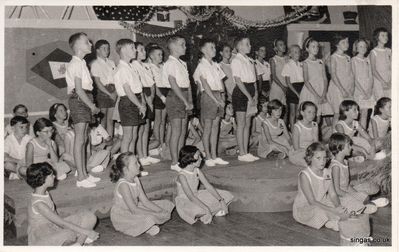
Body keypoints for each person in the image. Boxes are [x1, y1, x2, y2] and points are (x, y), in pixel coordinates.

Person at [26, 162, 98, 246]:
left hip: (54, 226)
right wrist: (86, 231)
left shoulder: (44, 192)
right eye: (51, 175)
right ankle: (80, 239)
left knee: (90, 217)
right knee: (68, 233)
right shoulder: (39, 204)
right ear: (43, 179)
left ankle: (78, 243)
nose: (54, 176)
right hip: (42, 234)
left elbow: (57, 218)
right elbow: (61, 223)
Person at [110, 152, 174, 237]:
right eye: (136, 163)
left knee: (166, 204)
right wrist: (154, 213)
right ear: (126, 169)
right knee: (150, 217)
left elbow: (145, 201)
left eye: (138, 162)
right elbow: (133, 209)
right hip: (124, 215)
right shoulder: (123, 185)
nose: (139, 165)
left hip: (136, 208)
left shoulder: (135, 179)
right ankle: (143, 227)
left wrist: (159, 210)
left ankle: (147, 226)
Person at [65, 32, 101, 188]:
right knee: (80, 139)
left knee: (84, 139)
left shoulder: (81, 63)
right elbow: (79, 90)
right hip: (80, 100)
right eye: (87, 42)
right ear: (78, 46)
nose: (91, 45)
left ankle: (84, 173)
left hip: (84, 99)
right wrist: (92, 106)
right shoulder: (76, 64)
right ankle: (80, 177)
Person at [292, 142, 349, 231]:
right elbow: (312, 201)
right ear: (310, 158)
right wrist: (333, 210)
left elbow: (333, 194)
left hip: (322, 202)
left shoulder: (327, 172)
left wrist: (338, 207)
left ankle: (333, 220)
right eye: (318, 158)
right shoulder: (305, 175)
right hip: (307, 207)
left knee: (344, 205)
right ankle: (333, 220)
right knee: (321, 211)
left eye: (324, 158)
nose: (322, 161)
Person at [328, 133, 389, 214]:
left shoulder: (345, 162)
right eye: (348, 146)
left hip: (346, 191)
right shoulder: (336, 167)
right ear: (340, 148)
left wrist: (356, 194)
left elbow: (347, 184)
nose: (351, 148)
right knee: (362, 198)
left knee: (372, 189)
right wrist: (353, 196)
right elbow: (337, 190)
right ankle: (369, 205)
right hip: (340, 196)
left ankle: (365, 205)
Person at [175, 145, 234, 224]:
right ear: (189, 159)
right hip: (187, 201)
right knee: (198, 210)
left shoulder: (197, 170)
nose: (201, 159)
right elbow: (191, 197)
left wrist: (221, 200)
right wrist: (206, 208)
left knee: (227, 195)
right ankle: (209, 212)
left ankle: (209, 213)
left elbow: (208, 186)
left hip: (197, 195)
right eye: (198, 157)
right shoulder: (182, 176)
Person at [194, 38, 229, 167]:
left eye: (214, 47)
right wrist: (216, 100)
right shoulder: (201, 66)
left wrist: (223, 97)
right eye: (211, 48)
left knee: (216, 127)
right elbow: (204, 85)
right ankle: (207, 156)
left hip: (218, 95)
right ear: (203, 50)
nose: (214, 50)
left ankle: (215, 155)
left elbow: (221, 83)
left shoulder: (215, 65)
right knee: (207, 128)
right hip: (208, 97)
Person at [113, 39, 147, 170]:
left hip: (135, 101)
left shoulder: (130, 66)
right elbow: (127, 91)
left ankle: (132, 165)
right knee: (128, 137)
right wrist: (140, 105)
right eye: (132, 48)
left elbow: (138, 88)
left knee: (134, 136)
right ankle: (123, 167)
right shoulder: (122, 69)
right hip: (128, 102)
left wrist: (141, 103)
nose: (136, 50)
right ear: (123, 50)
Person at [163, 36, 193, 171]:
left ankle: (182, 159)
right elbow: (173, 83)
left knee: (182, 131)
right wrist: (185, 100)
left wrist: (190, 100)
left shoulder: (182, 63)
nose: (185, 47)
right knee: (176, 131)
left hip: (184, 95)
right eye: (182, 45)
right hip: (176, 96)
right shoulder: (170, 63)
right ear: (173, 47)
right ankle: (174, 161)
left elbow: (187, 84)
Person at [131, 42, 161, 166]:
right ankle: (141, 155)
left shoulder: (146, 66)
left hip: (149, 94)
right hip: (141, 95)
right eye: (141, 50)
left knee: (147, 127)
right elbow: (139, 84)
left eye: (144, 50)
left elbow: (151, 82)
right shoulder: (133, 65)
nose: (144, 52)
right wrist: (146, 99)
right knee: (141, 128)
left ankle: (145, 155)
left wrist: (152, 96)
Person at [231, 36, 259, 162]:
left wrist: (255, 94)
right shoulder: (236, 60)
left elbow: (254, 80)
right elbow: (237, 80)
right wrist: (248, 96)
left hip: (250, 92)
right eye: (247, 44)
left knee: (248, 123)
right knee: (241, 124)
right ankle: (241, 153)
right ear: (239, 46)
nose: (250, 46)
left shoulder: (250, 60)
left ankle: (246, 151)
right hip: (241, 93)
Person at [299, 37, 333, 123]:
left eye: (317, 46)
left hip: (321, 90)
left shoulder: (320, 62)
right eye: (313, 46)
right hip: (311, 92)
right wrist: (317, 96)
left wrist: (323, 94)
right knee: (309, 116)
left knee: (318, 116)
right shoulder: (305, 63)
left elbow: (325, 79)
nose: (316, 48)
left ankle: (315, 134)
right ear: (307, 48)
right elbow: (306, 81)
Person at [90, 39, 117, 137]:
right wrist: (109, 94)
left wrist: (115, 92)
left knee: (111, 120)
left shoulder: (112, 63)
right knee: (103, 120)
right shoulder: (95, 64)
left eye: (108, 48)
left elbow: (116, 79)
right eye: (104, 48)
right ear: (97, 50)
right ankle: (103, 142)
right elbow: (98, 82)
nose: (107, 51)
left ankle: (110, 142)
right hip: (103, 92)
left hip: (113, 90)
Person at [327, 35, 355, 128]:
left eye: (347, 42)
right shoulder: (333, 57)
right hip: (337, 88)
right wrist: (342, 90)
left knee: (348, 113)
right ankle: (334, 136)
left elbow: (351, 74)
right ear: (337, 45)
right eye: (343, 42)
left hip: (347, 88)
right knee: (338, 113)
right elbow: (334, 75)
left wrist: (351, 88)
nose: (346, 44)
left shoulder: (348, 57)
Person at [148, 45, 168, 151]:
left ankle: (162, 142)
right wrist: (161, 96)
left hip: (165, 91)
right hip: (157, 93)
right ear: (151, 56)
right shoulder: (150, 67)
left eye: (162, 54)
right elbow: (154, 84)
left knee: (163, 120)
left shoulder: (163, 66)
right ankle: (157, 141)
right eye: (158, 55)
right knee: (158, 120)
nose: (161, 57)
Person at [351, 39, 375, 129]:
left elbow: (371, 75)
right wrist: (363, 92)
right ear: (356, 48)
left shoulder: (368, 60)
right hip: (359, 89)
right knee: (363, 113)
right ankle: (361, 135)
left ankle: (368, 132)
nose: (363, 48)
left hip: (368, 89)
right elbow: (354, 78)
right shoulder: (353, 60)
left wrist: (369, 90)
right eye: (360, 46)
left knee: (372, 112)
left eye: (365, 46)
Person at [289, 101, 318, 167]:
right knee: (307, 161)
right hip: (299, 152)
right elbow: (296, 148)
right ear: (302, 113)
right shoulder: (297, 126)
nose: (312, 115)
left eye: (314, 112)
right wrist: (308, 152)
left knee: (322, 155)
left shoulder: (314, 124)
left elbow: (316, 143)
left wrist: (315, 151)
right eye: (309, 112)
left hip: (311, 150)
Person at [282, 45, 304, 129]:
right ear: (290, 54)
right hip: (292, 89)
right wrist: (297, 93)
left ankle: (298, 129)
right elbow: (288, 82)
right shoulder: (288, 65)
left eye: (298, 52)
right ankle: (292, 130)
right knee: (292, 113)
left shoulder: (301, 64)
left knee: (299, 112)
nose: (297, 54)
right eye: (295, 52)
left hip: (301, 87)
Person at [370, 27, 391, 100]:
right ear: (377, 37)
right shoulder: (373, 52)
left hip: (389, 80)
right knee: (381, 102)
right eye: (383, 35)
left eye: (386, 35)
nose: (386, 37)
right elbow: (373, 70)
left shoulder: (389, 51)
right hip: (379, 81)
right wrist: (383, 82)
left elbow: (392, 67)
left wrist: (390, 80)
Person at [269, 39, 288, 106]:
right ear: (276, 48)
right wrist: (283, 87)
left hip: (286, 87)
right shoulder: (273, 60)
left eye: (284, 44)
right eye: (280, 45)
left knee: (285, 110)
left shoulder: (287, 58)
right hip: (277, 88)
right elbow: (274, 76)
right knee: (275, 108)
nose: (283, 46)